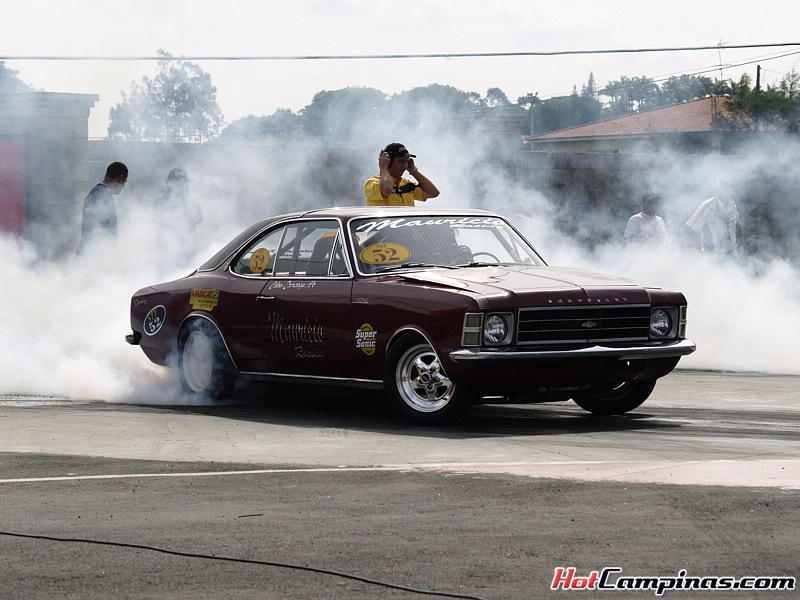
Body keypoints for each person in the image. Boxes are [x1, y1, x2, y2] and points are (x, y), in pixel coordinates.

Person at [154, 167, 203, 266]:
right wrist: (171, 200)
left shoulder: (193, 200)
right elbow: (157, 218)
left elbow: (196, 219)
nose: (181, 185)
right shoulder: (161, 200)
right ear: (169, 183)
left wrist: (186, 201)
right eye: (178, 182)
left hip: (188, 247)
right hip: (166, 248)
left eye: (184, 182)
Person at [364, 143, 440, 206]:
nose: (404, 166)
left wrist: (413, 171)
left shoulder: (405, 184)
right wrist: (383, 167)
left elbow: (433, 193)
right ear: (389, 161)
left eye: (406, 161)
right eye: (401, 161)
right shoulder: (371, 183)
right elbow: (387, 189)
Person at [76, 161, 128, 254]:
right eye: (125, 181)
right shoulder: (100, 193)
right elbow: (94, 223)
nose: (123, 186)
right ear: (121, 178)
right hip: (93, 255)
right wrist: (107, 250)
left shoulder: (101, 192)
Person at [684, 176, 743, 255]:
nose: (731, 190)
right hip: (714, 255)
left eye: (732, 186)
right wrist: (698, 252)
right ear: (718, 190)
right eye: (727, 187)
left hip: (732, 253)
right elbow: (688, 229)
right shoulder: (707, 206)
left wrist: (740, 247)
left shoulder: (731, 203)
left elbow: (737, 224)